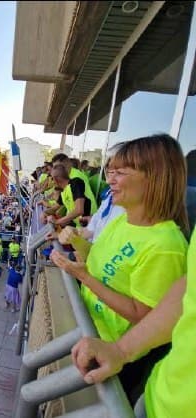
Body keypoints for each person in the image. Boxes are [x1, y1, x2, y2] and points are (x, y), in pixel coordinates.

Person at [51, 134, 189, 402]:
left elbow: (143, 315)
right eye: (109, 171)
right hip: (87, 330)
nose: (109, 180)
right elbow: (99, 262)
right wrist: (76, 241)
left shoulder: (166, 246)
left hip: (108, 357)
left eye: (120, 173)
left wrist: (83, 276)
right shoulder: (123, 220)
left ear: (153, 178)